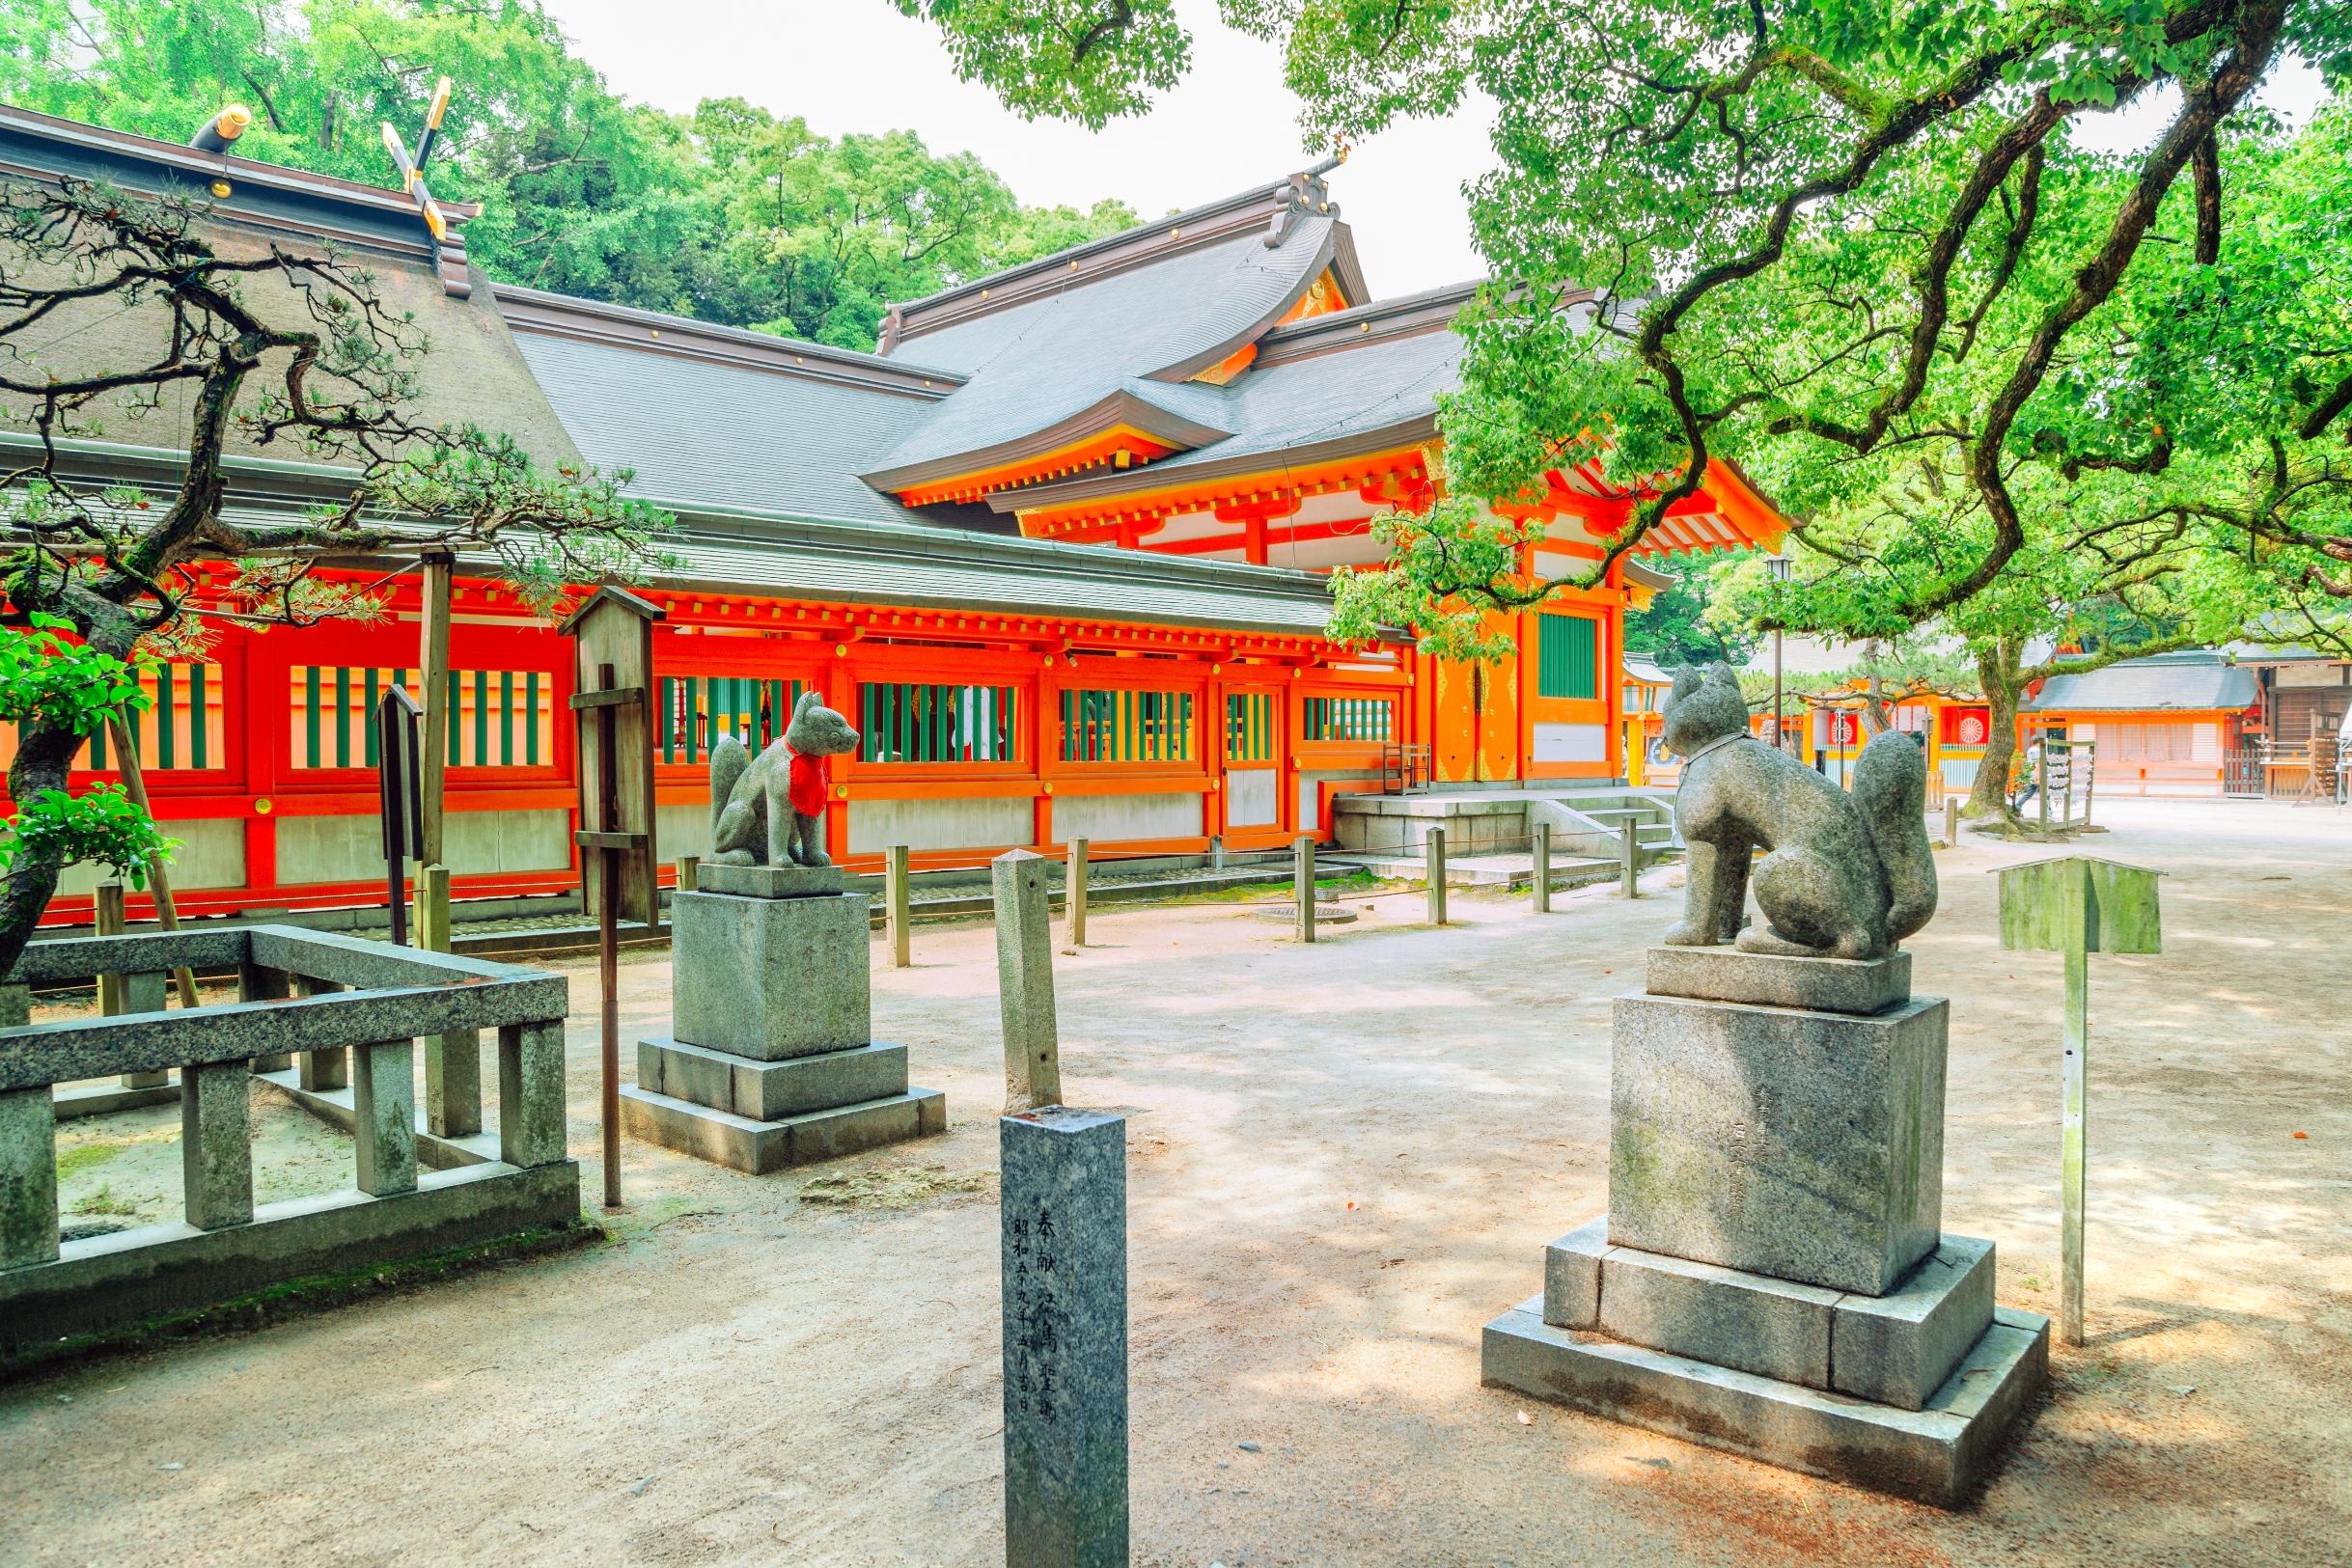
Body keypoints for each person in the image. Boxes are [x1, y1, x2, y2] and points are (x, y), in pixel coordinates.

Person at [2012, 736, 2045, 811]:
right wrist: (2037, 777)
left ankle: (2018, 805)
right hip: (2037, 774)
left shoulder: (2029, 750)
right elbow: (2037, 764)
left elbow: (2028, 763)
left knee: (2029, 793)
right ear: (2039, 742)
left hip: (2031, 773)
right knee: (2046, 793)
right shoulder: (2037, 751)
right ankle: (2049, 812)